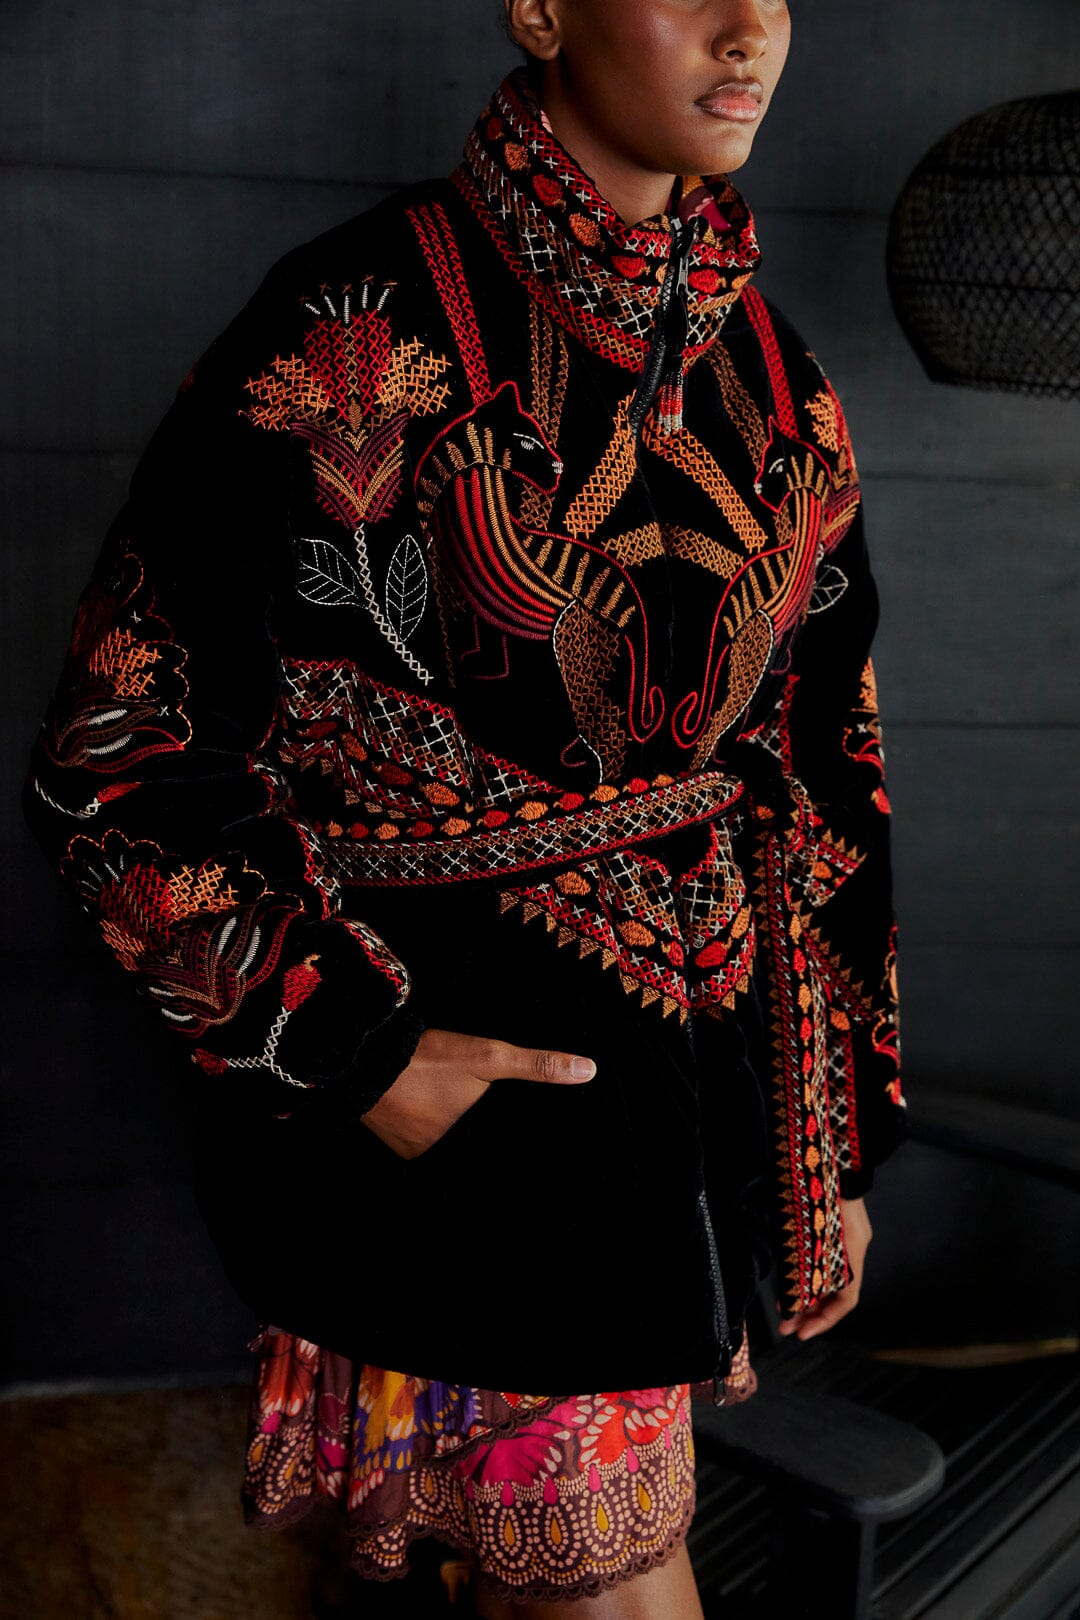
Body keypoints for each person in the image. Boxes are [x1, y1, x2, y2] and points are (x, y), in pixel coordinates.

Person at [21, 0, 908, 1613]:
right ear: (542, 7)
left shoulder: (780, 378)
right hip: (453, 1121)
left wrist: (829, 1136)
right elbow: (120, 743)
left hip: (689, 1128)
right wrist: (355, 1052)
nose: (748, 32)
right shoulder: (356, 324)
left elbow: (826, 758)